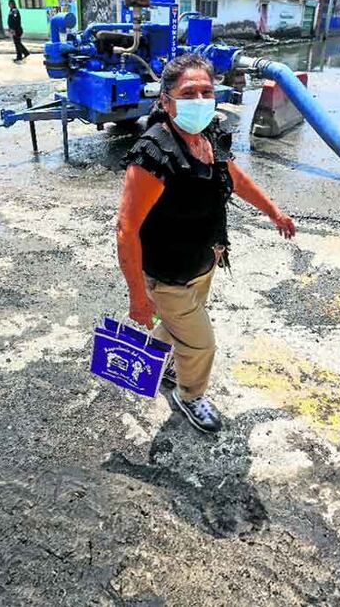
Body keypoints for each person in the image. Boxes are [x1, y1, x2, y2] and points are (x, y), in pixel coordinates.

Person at [116, 53, 296, 434]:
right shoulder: (155, 153)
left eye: (206, 91)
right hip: (168, 274)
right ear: (166, 101)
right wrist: (137, 298)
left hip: (204, 260)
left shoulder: (210, 133)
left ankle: (161, 364)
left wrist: (273, 211)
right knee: (201, 345)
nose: (199, 100)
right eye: (188, 92)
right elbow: (126, 230)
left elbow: (234, 175)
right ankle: (191, 393)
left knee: (178, 323)